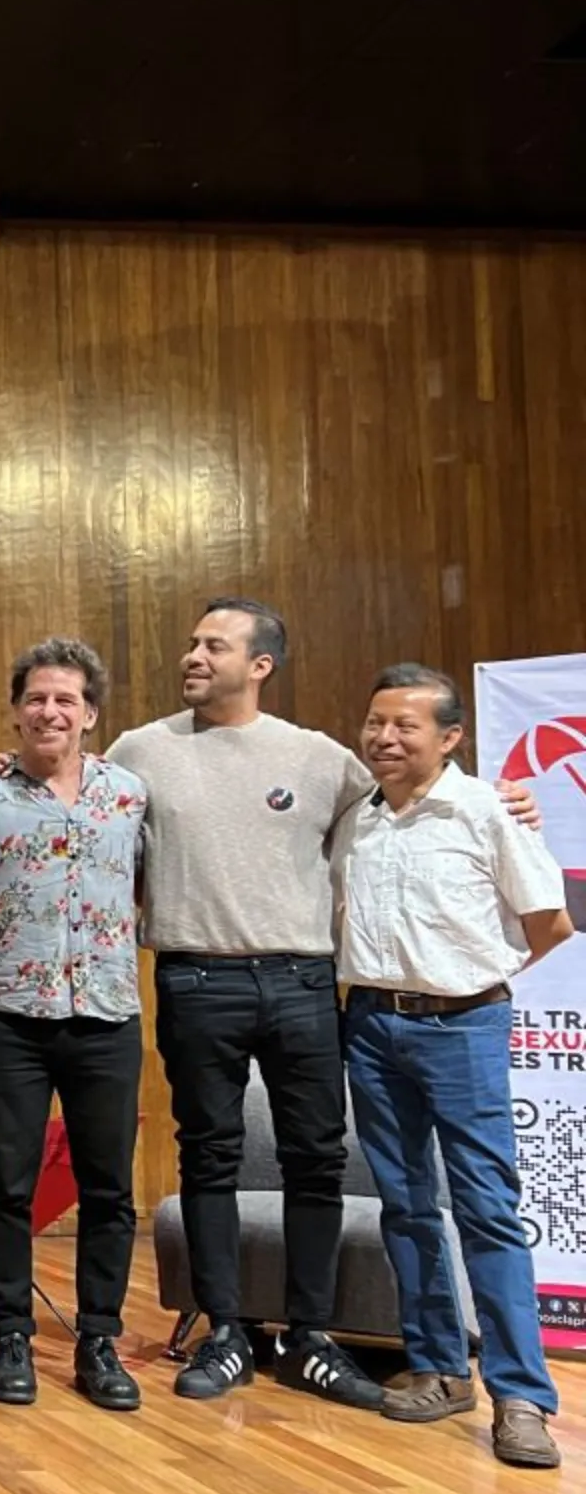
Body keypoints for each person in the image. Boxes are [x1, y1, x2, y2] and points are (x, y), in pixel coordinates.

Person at [110, 598, 529, 1407]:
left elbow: (416, 799)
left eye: (213, 646)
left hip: (305, 981)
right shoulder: (141, 750)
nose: (193, 656)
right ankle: (226, 1329)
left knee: (316, 1159)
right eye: (192, 643)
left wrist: (504, 803)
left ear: (259, 665)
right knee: (209, 1156)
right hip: (195, 980)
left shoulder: (322, 759)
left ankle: (308, 1336)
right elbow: (87, 817)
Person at [337, 664, 572, 1470]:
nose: (385, 738)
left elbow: (549, 923)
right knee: (404, 1206)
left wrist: (478, 981)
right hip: (371, 1024)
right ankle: (439, 1367)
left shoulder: (485, 809)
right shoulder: (357, 818)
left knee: (486, 1210)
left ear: (450, 738)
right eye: (375, 723)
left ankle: (522, 1397)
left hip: (463, 1023)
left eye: (405, 726)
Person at [0, 637, 147, 1413]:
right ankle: (11, 1338)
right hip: (9, 1015)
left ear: (90, 714)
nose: (50, 711)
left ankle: (98, 1337)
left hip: (105, 1012)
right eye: (36, 698)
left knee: (109, 1187)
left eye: (66, 699)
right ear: (16, 710)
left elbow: (150, 887)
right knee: (7, 1184)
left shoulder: (130, 795)